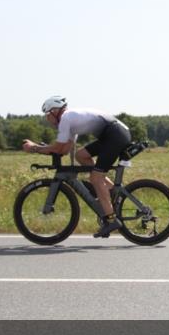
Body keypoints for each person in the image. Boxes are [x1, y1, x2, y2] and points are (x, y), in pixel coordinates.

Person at [21, 96, 132, 238]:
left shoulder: (66, 119)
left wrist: (34, 148)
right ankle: (110, 190)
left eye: (48, 115)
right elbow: (64, 150)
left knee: (96, 178)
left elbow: (59, 148)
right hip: (113, 134)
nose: (47, 119)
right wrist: (44, 149)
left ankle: (111, 220)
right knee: (81, 156)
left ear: (55, 111)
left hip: (115, 135)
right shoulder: (70, 121)